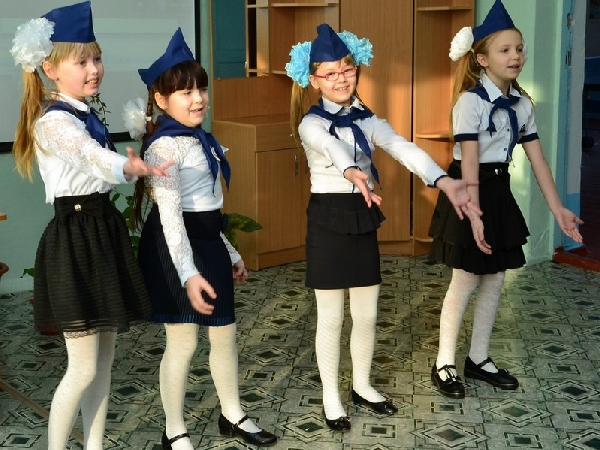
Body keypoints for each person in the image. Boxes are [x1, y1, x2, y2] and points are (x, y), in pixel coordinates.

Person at [285, 23, 481, 431]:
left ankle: (361, 385)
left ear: (357, 69)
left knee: (367, 314)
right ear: (313, 80)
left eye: (347, 69)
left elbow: (403, 148)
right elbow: (331, 146)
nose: (341, 78)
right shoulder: (310, 123)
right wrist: (352, 171)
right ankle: (331, 396)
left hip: (362, 215)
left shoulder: (367, 119)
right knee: (331, 317)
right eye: (330, 73)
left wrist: (443, 180)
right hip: (327, 219)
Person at [10, 2, 173, 449]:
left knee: (103, 362)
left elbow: (99, 160)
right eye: (81, 61)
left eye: (96, 58)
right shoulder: (55, 122)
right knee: (81, 366)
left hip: (102, 231)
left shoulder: (83, 112)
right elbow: (91, 157)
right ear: (49, 69)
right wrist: (128, 167)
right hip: (75, 239)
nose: (94, 69)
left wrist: (133, 163)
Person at [126, 29, 277, 449]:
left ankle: (233, 414)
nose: (198, 99)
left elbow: (208, 207)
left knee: (224, 332)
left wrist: (229, 250)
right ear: (161, 100)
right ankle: (174, 429)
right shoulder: (164, 148)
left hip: (208, 242)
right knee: (183, 341)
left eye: (202, 89)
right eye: (185, 92)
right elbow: (173, 220)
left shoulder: (200, 139)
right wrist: (189, 274)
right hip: (174, 249)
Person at [428, 0, 584, 399]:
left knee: (495, 276)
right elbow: (469, 163)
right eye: (505, 50)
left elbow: (538, 161)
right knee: (465, 278)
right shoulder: (470, 102)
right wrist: (473, 215)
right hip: (468, 187)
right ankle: (444, 362)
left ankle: (478, 358)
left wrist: (559, 209)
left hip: (496, 189)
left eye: (519, 49)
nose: (516, 56)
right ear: (482, 59)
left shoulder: (523, 103)